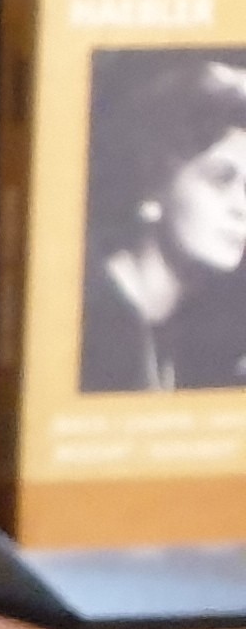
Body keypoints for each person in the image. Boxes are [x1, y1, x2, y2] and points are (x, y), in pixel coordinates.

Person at [78, 49, 246, 394]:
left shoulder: (189, 339)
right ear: (153, 185)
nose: (242, 207)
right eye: (221, 179)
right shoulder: (87, 321)